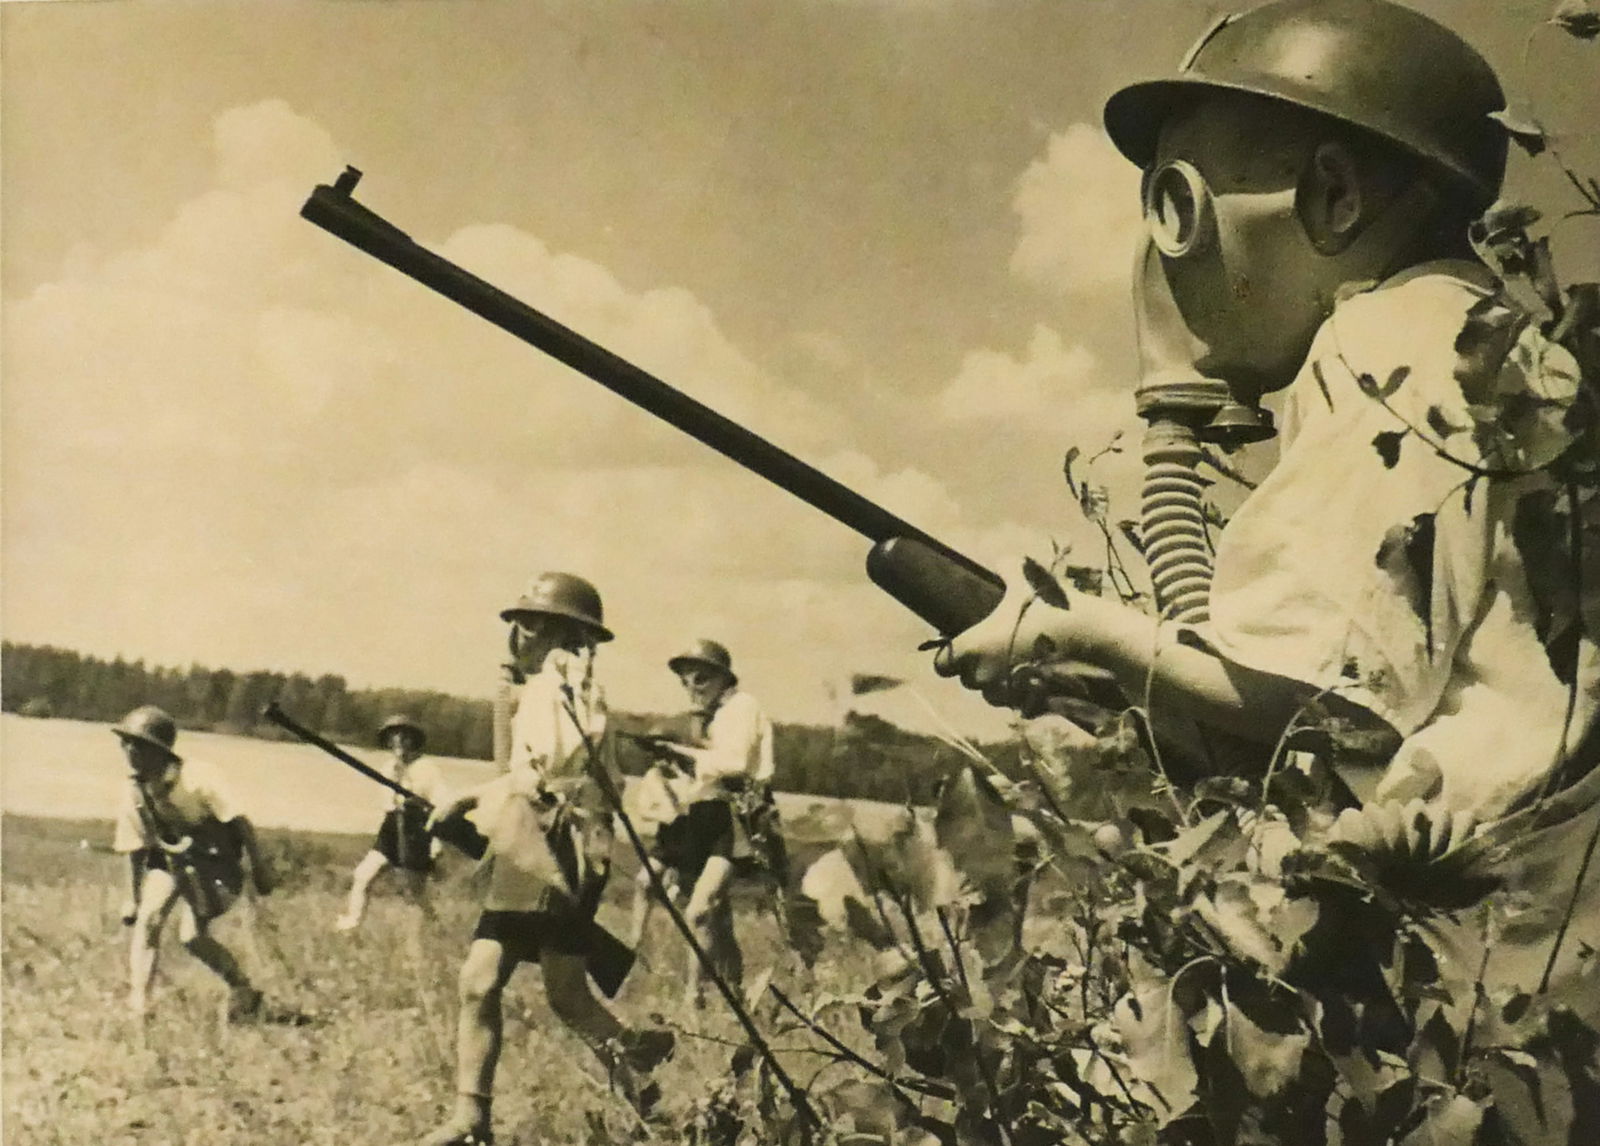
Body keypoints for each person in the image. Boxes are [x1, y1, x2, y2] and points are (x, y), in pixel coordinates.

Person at [940, 0, 1598, 1000]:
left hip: (1477, 952)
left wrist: (1083, 631)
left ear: (1334, 196)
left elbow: (1317, 696)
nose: (1164, 255)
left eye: (1177, 203)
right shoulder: (1493, 350)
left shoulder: (1386, 349)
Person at [420, 573, 672, 1146]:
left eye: (530, 621)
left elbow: (547, 773)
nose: (517, 632)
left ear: (564, 632)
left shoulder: (564, 682)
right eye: (518, 621)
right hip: (542, 842)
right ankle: (476, 1117)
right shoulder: (547, 686)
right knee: (511, 986)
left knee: (522, 987)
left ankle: (639, 1086)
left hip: (552, 845)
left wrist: (464, 798)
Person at [629, 639, 778, 1005]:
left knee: (700, 911)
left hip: (739, 817)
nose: (692, 689)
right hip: (706, 815)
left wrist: (683, 755)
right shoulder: (713, 716)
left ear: (724, 680)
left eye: (701, 680)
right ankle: (733, 993)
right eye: (686, 682)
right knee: (710, 915)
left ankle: (692, 999)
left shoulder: (743, 708)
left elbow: (736, 763)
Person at [111, 705, 278, 1020]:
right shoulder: (133, 791)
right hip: (170, 862)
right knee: (149, 919)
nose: (130, 751)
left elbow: (240, 821)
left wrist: (259, 867)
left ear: (160, 751)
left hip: (215, 863)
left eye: (139, 744)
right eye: (126, 743)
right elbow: (134, 847)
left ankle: (243, 989)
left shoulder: (199, 776)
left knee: (193, 937)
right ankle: (140, 1004)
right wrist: (130, 898)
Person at [334, 714, 451, 933]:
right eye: (393, 737)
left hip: (417, 831)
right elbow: (388, 806)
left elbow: (441, 807)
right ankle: (351, 924)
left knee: (415, 893)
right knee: (363, 875)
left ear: (413, 740)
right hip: (392, 828)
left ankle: (437, 931)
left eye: (404, 737)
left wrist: (436, 843)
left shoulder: (428, 768)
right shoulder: (388, 768)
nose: (398, 742)